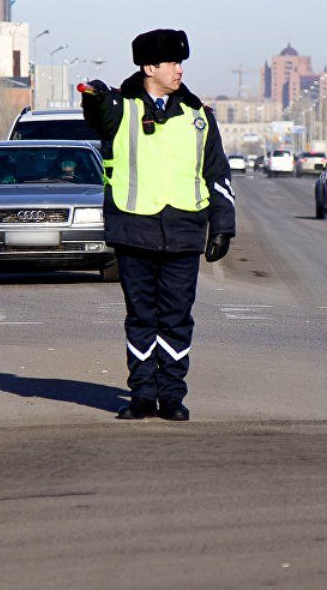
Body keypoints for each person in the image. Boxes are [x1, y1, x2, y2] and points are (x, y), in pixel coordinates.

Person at [81, 29, 236, 421]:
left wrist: (222, 226)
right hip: (134, 231)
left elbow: (217, 173)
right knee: (141, 318)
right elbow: (99, 115)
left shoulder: (198, 116)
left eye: (180, 63)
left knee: (177, 318)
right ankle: (142, 395)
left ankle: (171, 396)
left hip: (184, 232)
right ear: (150, 67)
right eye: (171, 64)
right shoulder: (122, 108)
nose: (179, 70)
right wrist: (95, 97)